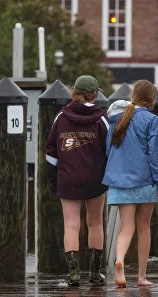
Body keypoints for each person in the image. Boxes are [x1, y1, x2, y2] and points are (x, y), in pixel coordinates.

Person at [103, 80, 158, 288]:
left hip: (121, 180)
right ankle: (141, 277)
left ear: (134, 95)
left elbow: (108, 149)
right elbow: (156, 155)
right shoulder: (152, 120)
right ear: (151, 98)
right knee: (144, 227)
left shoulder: (117, 119)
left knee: (126, 227)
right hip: (145, 180)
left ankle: (120, 259)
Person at [46, 75, 109, 286]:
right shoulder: (101, 119)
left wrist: (54, 180)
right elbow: (109, 150)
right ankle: (94, 272)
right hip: (95, 179)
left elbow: (51, 152)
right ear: (94, 94)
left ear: (75, 91)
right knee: (95, 222)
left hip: (68, 178)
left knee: (71, 225)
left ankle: (73, 274)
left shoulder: (61, 118)